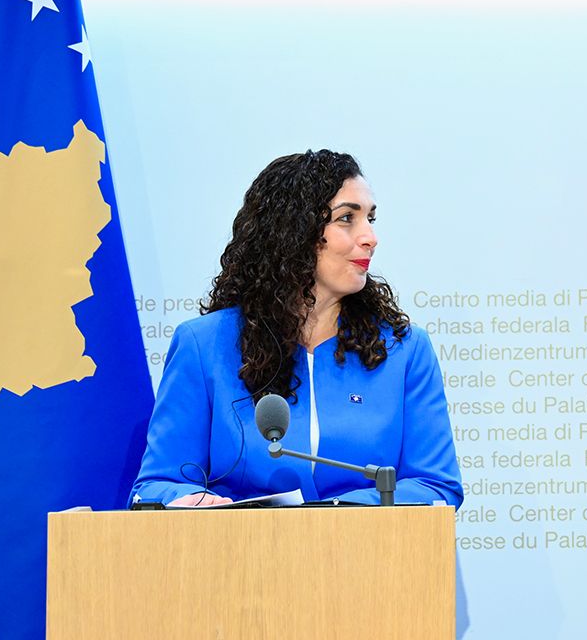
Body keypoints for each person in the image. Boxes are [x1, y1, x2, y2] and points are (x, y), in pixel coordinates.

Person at [131, 150, 464, 506]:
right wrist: (190, 500)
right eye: (347, 218)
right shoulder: (203, 345)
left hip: (367, 542)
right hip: (241, 542)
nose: (370, 237)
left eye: (370, 218)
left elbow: (435, 486)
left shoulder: (405, 349)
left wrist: (332, 516)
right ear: (293, 231)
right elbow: (156, 485)